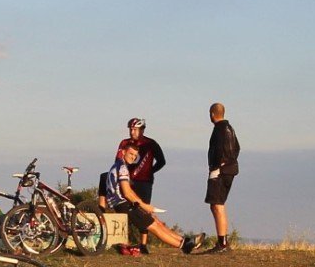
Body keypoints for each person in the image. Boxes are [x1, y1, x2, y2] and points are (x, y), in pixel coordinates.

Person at [99, 141, 197, 255]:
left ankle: (184, 240)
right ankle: (182, 245)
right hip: (123, 204)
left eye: (135, 156)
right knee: (153, 226)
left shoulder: (118, 165)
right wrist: (144, 205)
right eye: (131, 154)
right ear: (123, 152)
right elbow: (126, 193)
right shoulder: (122, 168)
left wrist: (140, 203)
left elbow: (129, 192)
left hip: (124, 203)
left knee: (155, 221)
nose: (133, 157)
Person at [195, 101, 238, 251]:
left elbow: (218, 149)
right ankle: (223, 241)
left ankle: (222, 243)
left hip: (220, 171)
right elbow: (237, 148)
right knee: (219, 204)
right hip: (230, 169)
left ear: (212, 114)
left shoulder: (219, 129)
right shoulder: (230, 128)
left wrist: (216, 166)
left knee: (217, 204)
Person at [116, 117, 165, 209]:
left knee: (143, 210)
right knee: (126, 208)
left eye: (135, 130)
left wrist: (150, 171)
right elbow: (118, 161)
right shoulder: (124, 143)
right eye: (130, 130)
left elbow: (161, 161)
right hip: (127, 180)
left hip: (144, 182)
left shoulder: (151, 143)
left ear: (142, 130)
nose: (132, 132)